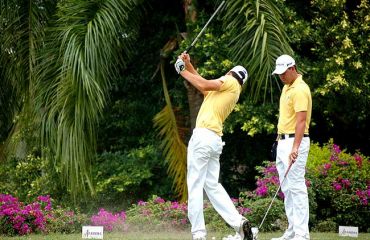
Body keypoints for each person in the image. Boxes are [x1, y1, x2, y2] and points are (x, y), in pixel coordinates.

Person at [174, 52, 253, 240]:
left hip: (203, 137)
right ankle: (239, 223)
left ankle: (198, 233)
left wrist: (182, 71)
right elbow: (203, 85)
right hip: (214, 140)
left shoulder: (229, 81)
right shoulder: (229, 91)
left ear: (231, 73)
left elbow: (203, 83)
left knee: (194, 185)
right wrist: (188, 64)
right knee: (212, 185)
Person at [271, 54, 312, 240]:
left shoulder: (300, 89)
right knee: (287, 188)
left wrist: (295, 147)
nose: (281, 76)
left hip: (296, 141)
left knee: (296, 187)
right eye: (279, 73)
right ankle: (293, 230)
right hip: (283, 141)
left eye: (284, 72)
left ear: (293, 68)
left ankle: (302, 234)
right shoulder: (287, 87)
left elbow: (301, 121)